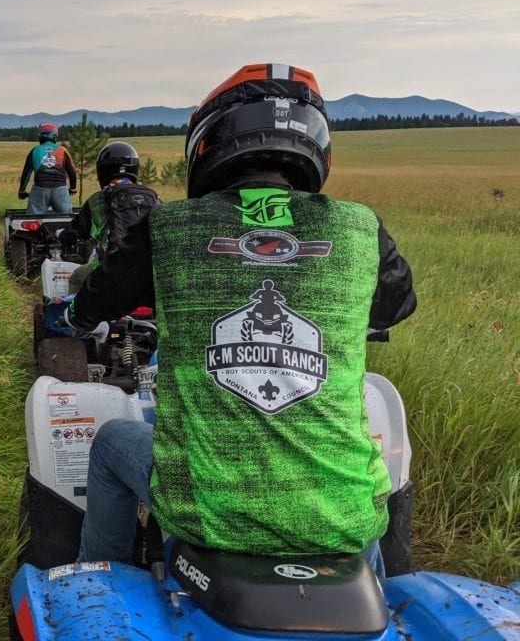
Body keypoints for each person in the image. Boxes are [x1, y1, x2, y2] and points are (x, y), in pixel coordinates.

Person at [61, 63, 417, 575]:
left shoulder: (169, 227)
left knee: (112, 442)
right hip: (339, 523)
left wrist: (77, 317)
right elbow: (395, 307)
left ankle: (100, 579)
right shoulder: (361, 227)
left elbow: (98, 297)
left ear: (209, 141)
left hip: (210, 514)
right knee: (359, 492)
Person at [58, 142, 161, 293]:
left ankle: (75, 315)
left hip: (110, 268)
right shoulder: (152, 196)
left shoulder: (97, 200)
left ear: (102, 170)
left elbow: (75, 231)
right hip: (148, 270)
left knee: (76, 278)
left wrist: (62, 236)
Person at [18, 124, 78, 214]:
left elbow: (26, 174)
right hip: (60, 190)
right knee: (66, 219)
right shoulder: (63, 150)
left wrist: (22, 190)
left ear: (41, 137)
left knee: (33, 220)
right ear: (55, 136)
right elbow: (72, 172)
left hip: (40, 189)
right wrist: (73, 188)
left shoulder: (35, 150)